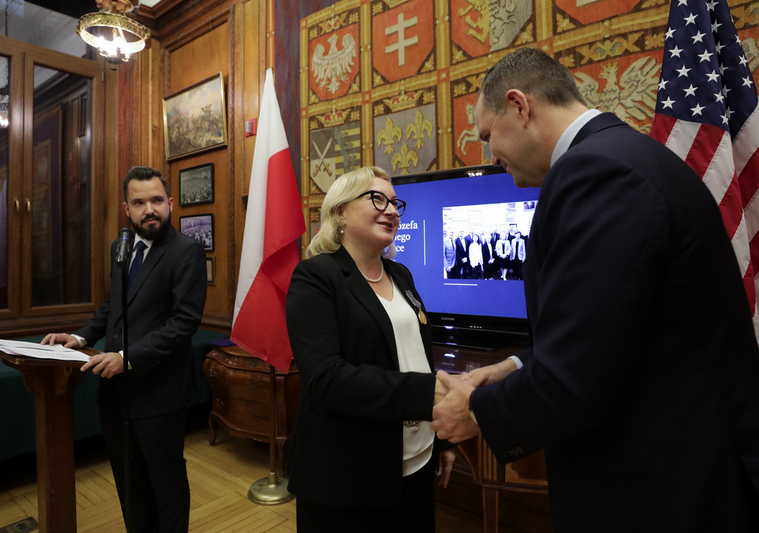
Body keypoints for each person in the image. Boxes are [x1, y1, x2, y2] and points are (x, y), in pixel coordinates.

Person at [431, 48, 759, 532]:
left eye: (487, 136)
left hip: (664, 494)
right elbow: (614, 332)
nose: (491, 157)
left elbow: (577, 381)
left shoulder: (595, 173)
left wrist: (476, 411)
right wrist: (516, 364)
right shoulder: (626, 155)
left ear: (520, 106)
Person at [285, 166, 455, 533]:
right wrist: (428, 395)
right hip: (350, 472)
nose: (392, 210)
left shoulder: (401, 275)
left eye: (395, 203)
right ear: (341, 211)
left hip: (417, 460)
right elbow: (326, 380)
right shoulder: (316, 277)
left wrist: (440, 437)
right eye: (377, 199)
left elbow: (419, 358)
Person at [42, 166, 207, 533]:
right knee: (129, 482)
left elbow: (184, 322)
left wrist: (126, 358)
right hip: (116, 393)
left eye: (156, 201)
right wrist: (81, 338)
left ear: (170, 203)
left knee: (165, 485)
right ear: (126, 208)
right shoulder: (122, 247)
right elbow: (111, 305)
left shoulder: (187, 251)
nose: (149, 209)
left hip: (159, 393)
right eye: (139, 202)